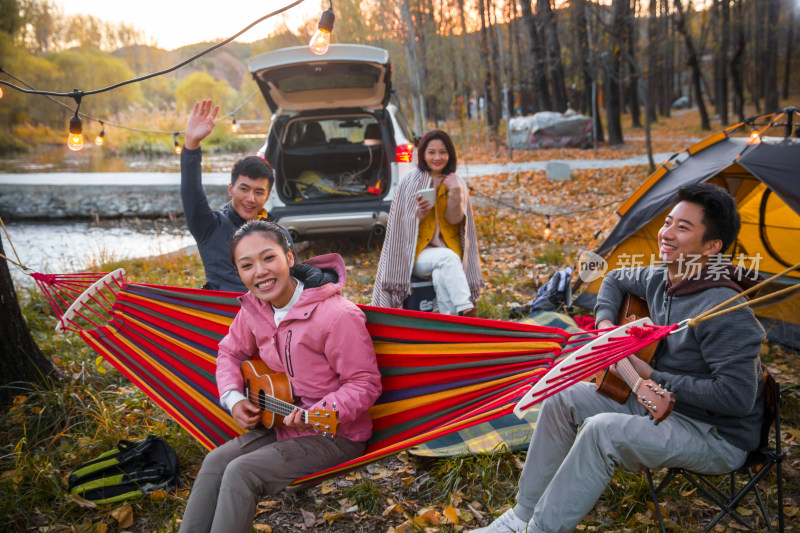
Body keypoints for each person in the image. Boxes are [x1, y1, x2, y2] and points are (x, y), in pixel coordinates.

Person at [470, 183, 765, 533]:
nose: (666, 234)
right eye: (668, 222)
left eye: (683, 228)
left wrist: (655, 375)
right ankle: (521, 516)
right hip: (653, 403)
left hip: (714, 434)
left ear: (712, 246)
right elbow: (613, 279)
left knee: (601, 431)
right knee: (562, 396)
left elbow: (738, 398)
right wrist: (608, 327)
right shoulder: (664, 277)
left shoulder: (725, 310)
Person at [179, 220, 382, 533]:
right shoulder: (254, 309)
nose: (260, 272)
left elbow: (365, 383)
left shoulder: (338, 315)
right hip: (279, 420)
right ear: (239, 273)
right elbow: (230, 353)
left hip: (334, 433)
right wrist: (233, 398)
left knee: (241, 472)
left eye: (268, 258)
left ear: (289, 257)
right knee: (216, 463)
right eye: (247, 265)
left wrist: (320, 412)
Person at [181, 98, 292, 292]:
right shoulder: (209, 227)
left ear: (267, 197)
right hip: (225, 314)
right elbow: (192, 194)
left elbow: (291, 280)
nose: (251, 199)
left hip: (270, 316)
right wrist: (191, 145)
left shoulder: (280, 234)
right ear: (231, 189)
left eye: (259, 192)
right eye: (244, 189)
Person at [372, 129, 483, 315]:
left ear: (450, 154)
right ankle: (467, 309)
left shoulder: (456, 181)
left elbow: (455, 220)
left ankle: (449, 325)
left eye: (443, 152)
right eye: (431, 152)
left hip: (447, 255)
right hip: (415, 255)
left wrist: (456, 193)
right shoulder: (411, 181)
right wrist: (419, 213)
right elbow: (401, 225)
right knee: (448, 258)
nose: (437, 157)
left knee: (442, 275)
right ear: (423, 154)